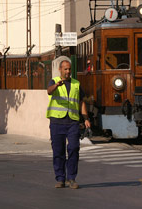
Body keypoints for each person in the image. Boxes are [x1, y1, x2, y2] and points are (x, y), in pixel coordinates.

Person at [47, 59, 91, 189]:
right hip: (57, 122)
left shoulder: (76, 84)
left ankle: (71, 178)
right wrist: (57, 85)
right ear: (60, 70)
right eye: (65, 69)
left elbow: (81, 102)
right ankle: (60, 178)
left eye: (69, 69)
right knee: (58, 151)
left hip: (72, 122)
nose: (67, 71)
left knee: (73, 148)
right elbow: (49, 91)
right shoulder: (54, 82)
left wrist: (86, 118)